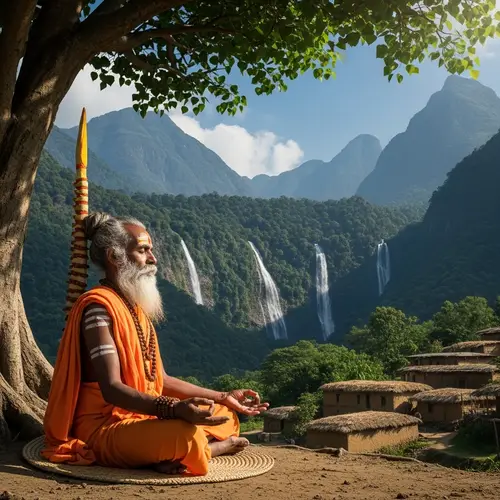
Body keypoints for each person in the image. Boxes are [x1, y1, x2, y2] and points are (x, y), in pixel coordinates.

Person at [42, 212, 269, 476]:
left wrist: (223, 397)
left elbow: (160, 379)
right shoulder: (98, 310)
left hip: (143, 419)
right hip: (104, 427)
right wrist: (173, 409)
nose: (153, 259)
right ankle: (209, 449)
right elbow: (112, 389)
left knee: (224, 415)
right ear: (115, 257)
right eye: (143, 250)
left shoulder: (136, 308)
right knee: (185, 434)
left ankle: (163, 455)